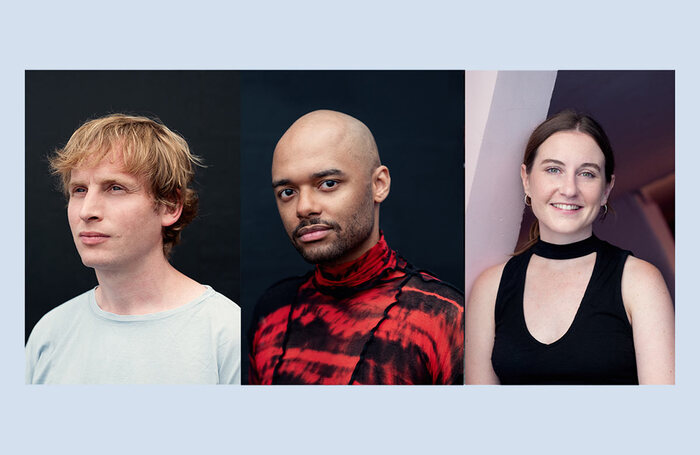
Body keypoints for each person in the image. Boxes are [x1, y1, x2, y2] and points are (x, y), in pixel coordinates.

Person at [248, 109, 464, 385]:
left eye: (328, 184)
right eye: (288, 192)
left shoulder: (441, 317)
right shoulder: (273, 312)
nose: (304, 208)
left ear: (379, 185)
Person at [25, 114, 241, 384]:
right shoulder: (50, 333)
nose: (87, 211)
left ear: (170, 206)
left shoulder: (226, 332)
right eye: (79, 190)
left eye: (115, 188)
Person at [466, 110, 675, 385]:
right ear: (527, 179)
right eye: (554, 169)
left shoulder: (640, 281)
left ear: (606, 189)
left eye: (587, 174)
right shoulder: (490, 287)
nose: (569, 189)